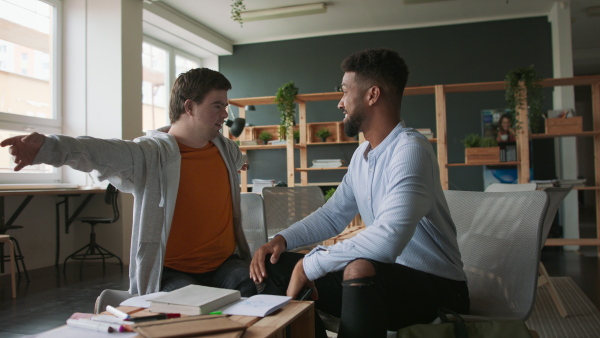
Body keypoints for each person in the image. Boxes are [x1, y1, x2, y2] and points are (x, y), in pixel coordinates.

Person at [250, 49, 469, 338]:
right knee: (273, 263)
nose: (340, 103)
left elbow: (387, 239)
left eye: (344, 92)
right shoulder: (362, 155)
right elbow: (332, 215)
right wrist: (282, 239)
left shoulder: (410, 151)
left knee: (359, 268)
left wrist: (310, 264)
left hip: (439, 289)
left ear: (372, 95)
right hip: (381, 276)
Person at [1, 68, 257, 297]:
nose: (225, 114)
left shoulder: (226, 150)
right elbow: (99, 152)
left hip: (225, 265)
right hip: (171, 272)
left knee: (254, 289)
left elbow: (236, 160)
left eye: (225, 106)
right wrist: (47, 147)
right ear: (189, 107)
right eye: (217, 106)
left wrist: (239, 163)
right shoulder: (149, 154)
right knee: (190, 312)